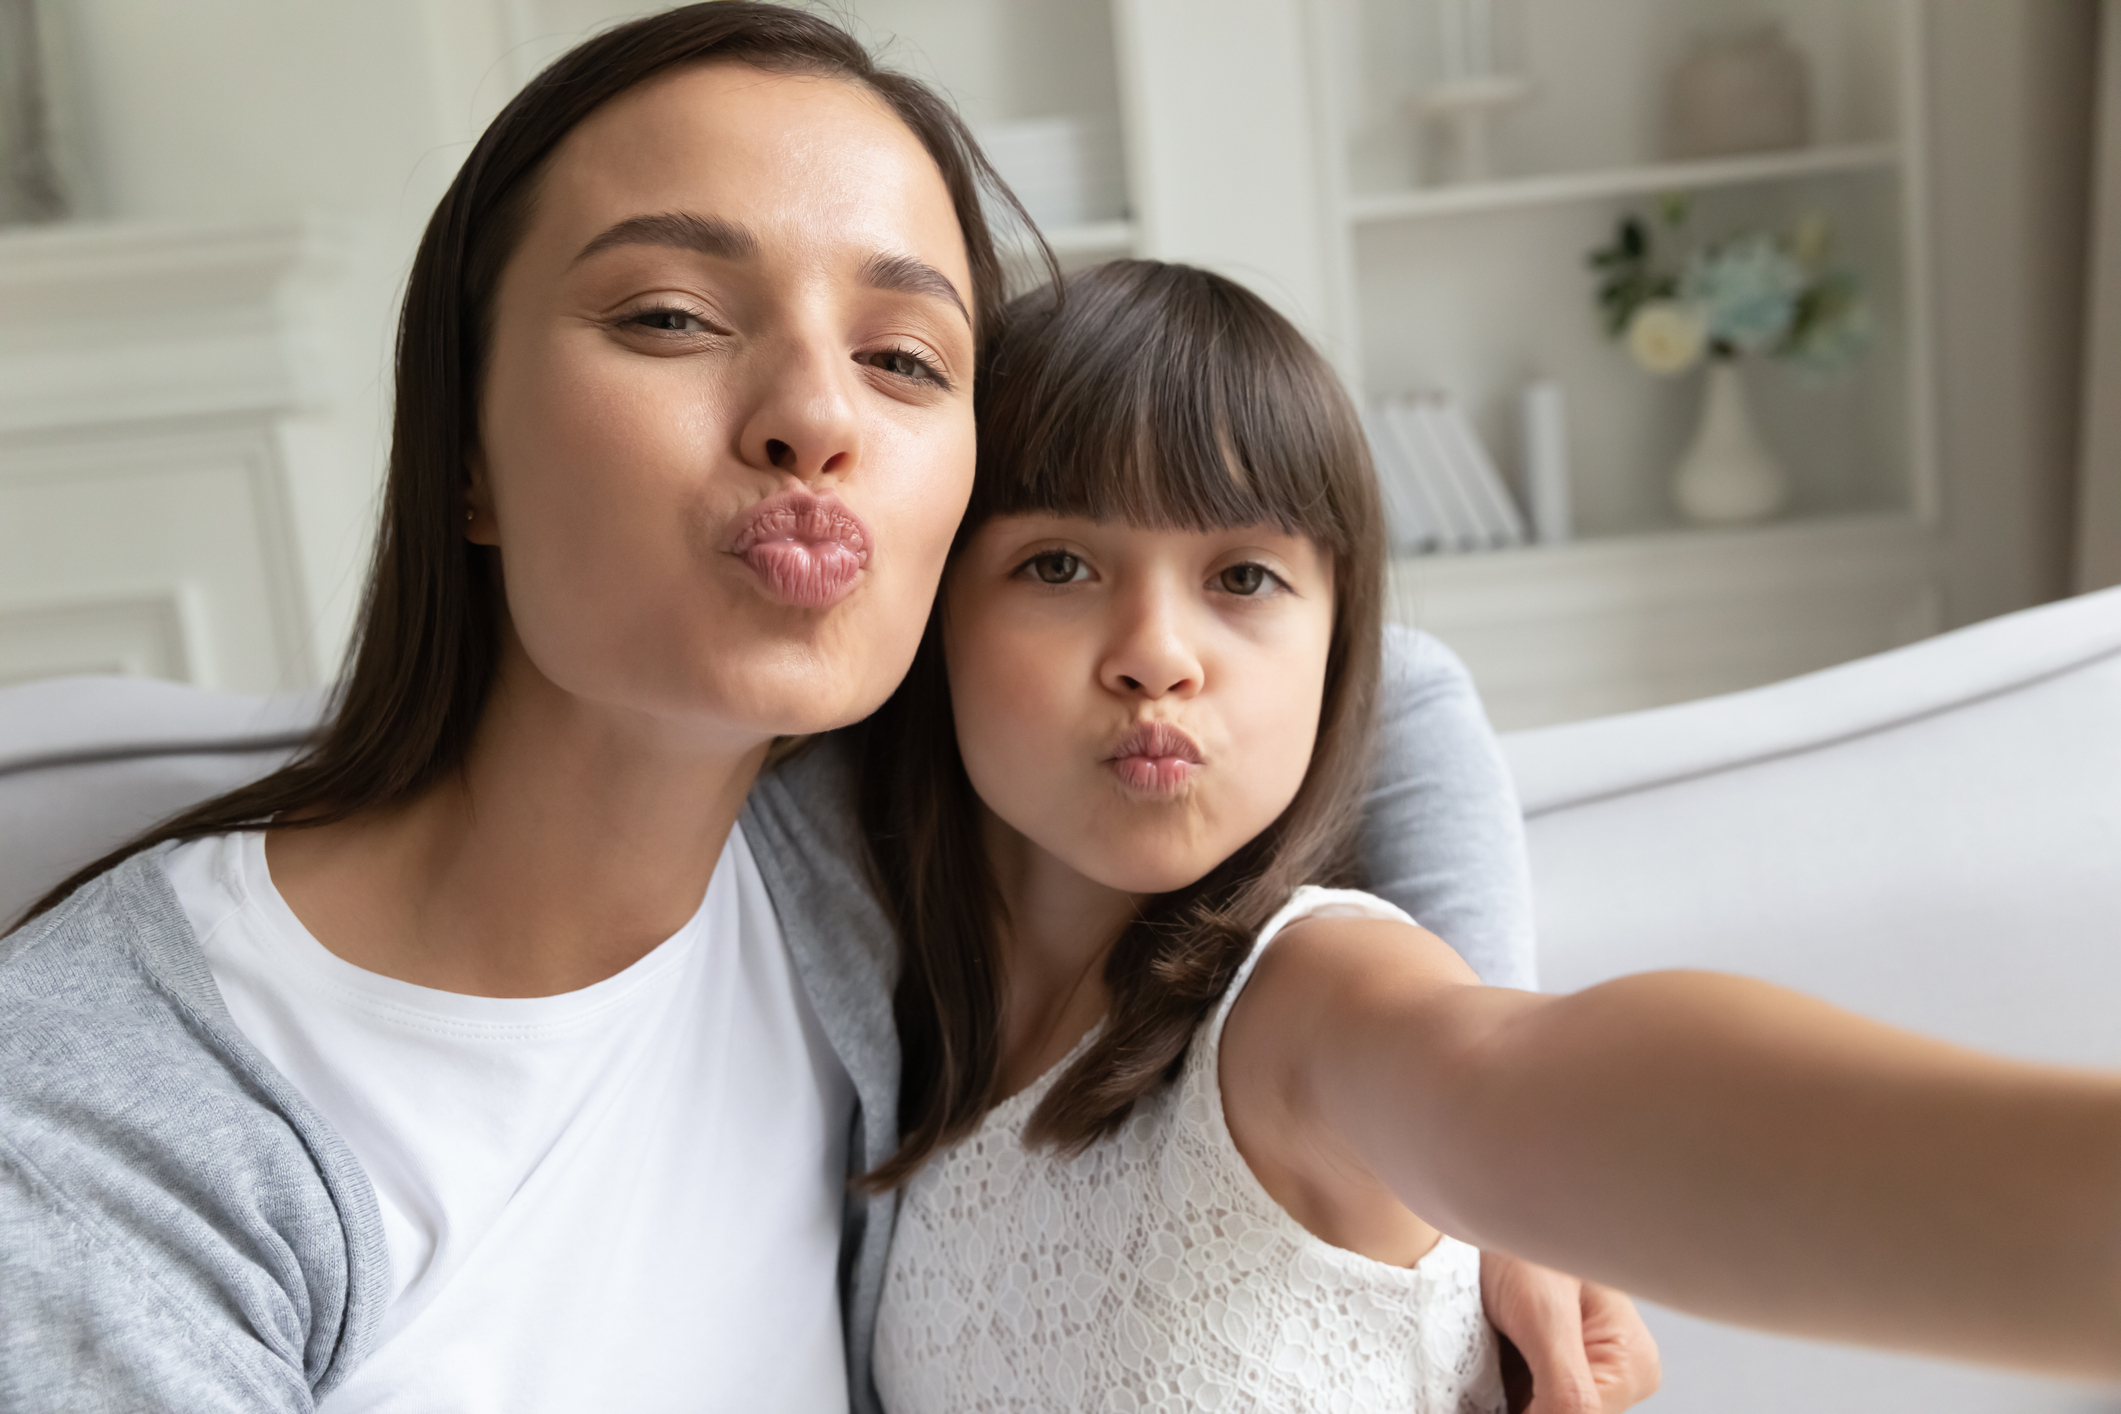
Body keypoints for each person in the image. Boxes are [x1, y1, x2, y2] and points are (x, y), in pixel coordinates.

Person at [0, 6, 1658, 1413]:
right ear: (462, 450)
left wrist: (1493, 1162)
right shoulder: (119, 1109)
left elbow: (1394, 684)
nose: (812, 414)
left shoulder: (851, 840)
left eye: (906, 359)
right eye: (669, 316)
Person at [859, 259, 2121, 1412]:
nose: (1158, 657)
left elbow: (1518, 1080)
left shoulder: (1304, 1003)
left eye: (1245, 578)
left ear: (1334, 651)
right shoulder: (910, 1052)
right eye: (1060, 565)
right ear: (934, 614)